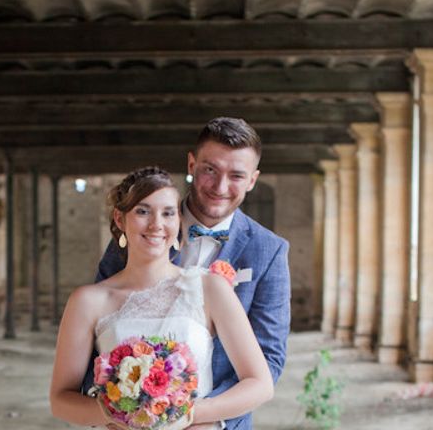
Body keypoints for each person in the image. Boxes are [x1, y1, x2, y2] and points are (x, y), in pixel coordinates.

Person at [90, 118, 291, 430]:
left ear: (253, 179)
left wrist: (201, 419)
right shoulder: (140, 231)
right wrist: (114, 409)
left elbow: (269, 359)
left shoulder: (269, 251)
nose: (220, 187)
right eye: (210, 170)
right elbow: (97, 333)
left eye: (236, 175)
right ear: (192, 164)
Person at [50, 167, 274, 429]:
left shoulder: (210, 288)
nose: (157, 224)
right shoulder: (88, 301)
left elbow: (261, 384)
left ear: (178, 220)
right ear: (120, 219)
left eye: (168, 213)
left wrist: (190, 414)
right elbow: (60, 400)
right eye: (143, 212)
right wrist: (118, 415)